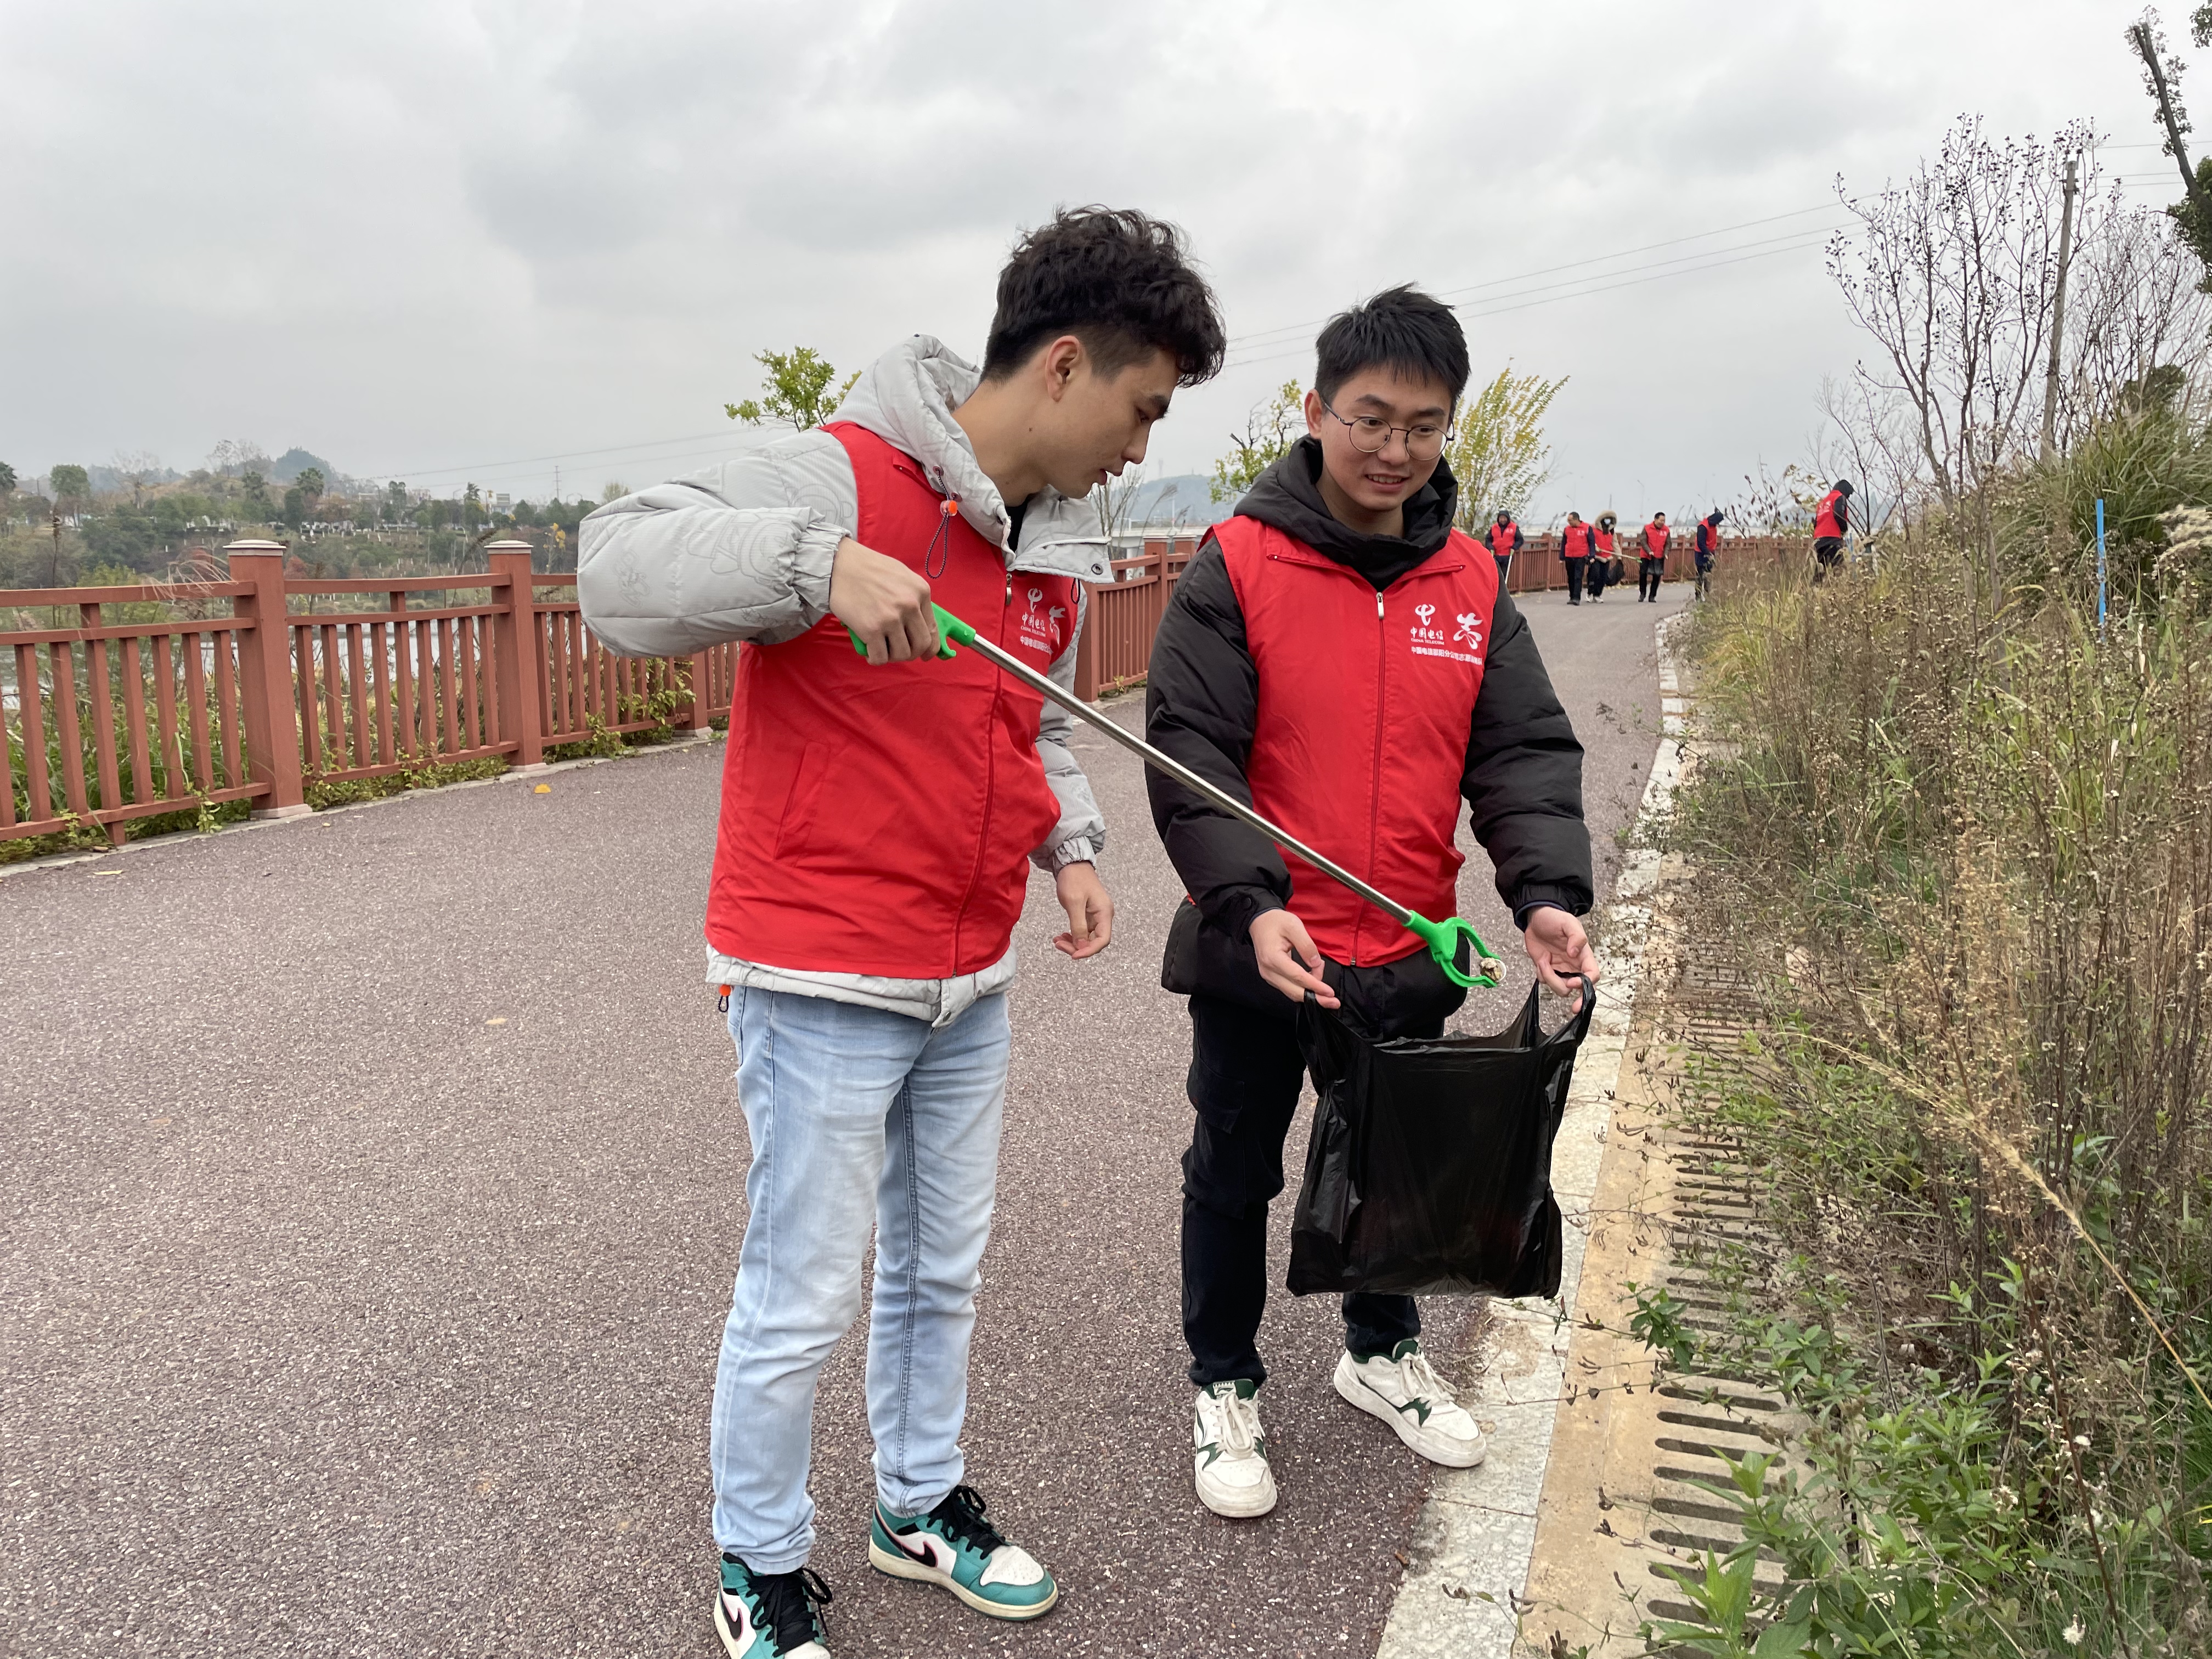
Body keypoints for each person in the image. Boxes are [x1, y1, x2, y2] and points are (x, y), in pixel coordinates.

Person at [578, 207, 1227, 1659]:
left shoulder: (1046, 537)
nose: (1139, 447)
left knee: (943, 1264)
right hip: (817, 966)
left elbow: (1022, 709)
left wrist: (1069, 842)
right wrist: (817, 566)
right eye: (1141, 410)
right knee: (802, 1290)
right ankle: (758, 1560)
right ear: (1064, 366)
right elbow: (614, 565)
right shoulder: (838, 469)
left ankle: (919, 1503)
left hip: (965, 973)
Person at [1142, 286, 1601, 1521]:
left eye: (1426, 427)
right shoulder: (1238, 562)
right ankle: (1224, 1379)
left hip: (1405, 948)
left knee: (1394, 1172)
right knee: (1235, 1164)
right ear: (1316, 412)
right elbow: (1191, 749)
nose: (1396, 450)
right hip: (1268, 949)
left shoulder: (1469, 580)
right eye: (1372, 419)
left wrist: (1547, 894)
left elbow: (1521, 754)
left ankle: (1378, 1350)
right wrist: (1244, 901)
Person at [1813, 479, 1853, 582]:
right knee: (1839, 569)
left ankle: (1815, 591)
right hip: (1832, 538)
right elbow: (1839, 514)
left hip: (1819, 540)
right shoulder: (1839, 497)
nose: (1848, 498)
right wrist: (1844, 530)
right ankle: (1838, 592)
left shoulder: (1823, 502)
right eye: (1849, 495)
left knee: (1820, 571)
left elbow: (1816, 522)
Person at [1560, 510, 1596, 605]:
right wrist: (1562, 556)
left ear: (1576, 520)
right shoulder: (1567, 529)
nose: (1569, 523)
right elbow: (1564, 543)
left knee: (1578, 577)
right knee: (1570, 577)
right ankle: (1572, 597)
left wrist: (1592, 556)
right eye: (1568, 521)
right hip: (1569, 556)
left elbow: (1592, 543)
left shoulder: (1587, 528)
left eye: (1570, 520)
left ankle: (1577, 598)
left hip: (1581, 556)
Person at [1486, 509, 1525, 587]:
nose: (1503, 520)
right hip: (1496, 555)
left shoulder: (1514, 527)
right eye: (1501, 518)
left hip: (1507, 555)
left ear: (1508, 518)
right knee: (1495, 574)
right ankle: (1496, 590)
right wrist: (1491, 547)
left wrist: (1514, 547)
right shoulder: (1494, 527)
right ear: (1498, 519)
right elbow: (1488, 539)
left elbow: (1520, 540)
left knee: (1504, 574)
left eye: (1504, 518)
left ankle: (1503, 590)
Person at [1637, 511, 1669, 602]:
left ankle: (1652, 596)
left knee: (1657, 576)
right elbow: (1643, 541)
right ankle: (1642, 593)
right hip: (1646, 555)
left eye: (1664, 521)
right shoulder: (1647, 528)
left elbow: (1668, 543)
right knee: (1643, 574)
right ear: (1655, 519)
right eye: (1661, 520)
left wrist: (1666, 553)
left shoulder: (1666, 530)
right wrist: (1649, 551)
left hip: (1659, 556)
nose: (1662, 522)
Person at [1693, 508, 1723, 600]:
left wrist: (1712, 554)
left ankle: (1708, 597)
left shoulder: (1713, 526)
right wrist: (1708, 554)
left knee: (1709, 577)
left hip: (1711, 552)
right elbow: (1701, 543)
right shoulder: (1703, 527)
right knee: (1700, 576)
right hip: (1701, 553)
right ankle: (1698, 597)